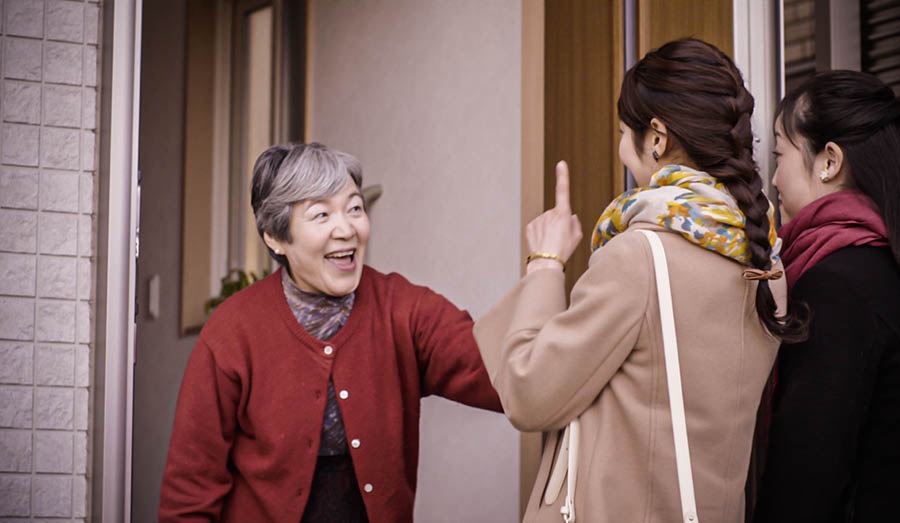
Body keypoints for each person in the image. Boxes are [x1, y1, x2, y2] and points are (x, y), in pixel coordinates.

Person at [474, 38, 805, 522]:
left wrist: (546, 262)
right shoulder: (765, 260)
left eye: (622, 131)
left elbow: (529, 394)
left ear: (656, 137)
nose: (621, 146)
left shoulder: (639, 257)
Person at [158, 142, 502, 522]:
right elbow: (189, 494)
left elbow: (507, 373)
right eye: (321, 215)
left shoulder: (403, 310)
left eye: (354, 209)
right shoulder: (232, 332)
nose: (346, 229)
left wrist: (545, 271)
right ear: (275, 237)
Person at [753, 71, 900, 522]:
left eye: (779, 154)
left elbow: (807, 472)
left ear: (829, 161)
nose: (773, 178)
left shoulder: (836, 286)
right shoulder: (878, 261)